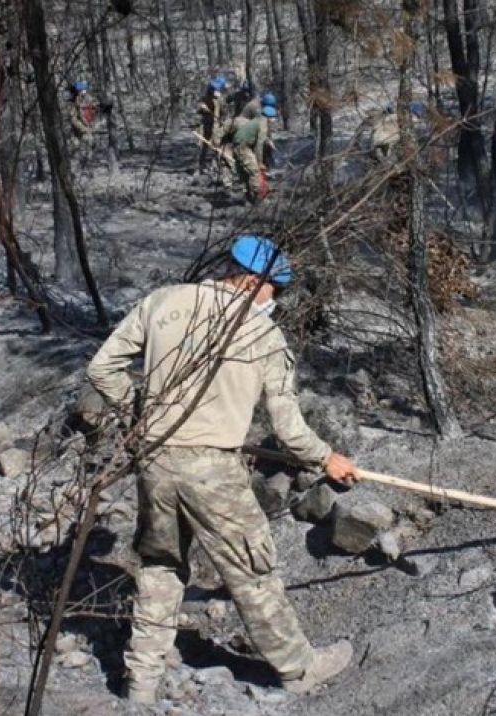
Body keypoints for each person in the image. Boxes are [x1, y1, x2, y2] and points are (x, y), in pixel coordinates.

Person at [86, 235, 358, 703]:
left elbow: (102, 368)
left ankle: (142, 682)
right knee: (252, 569)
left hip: (154, 459)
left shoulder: (162, 301)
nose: (276, 300)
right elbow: (289, 427)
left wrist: (140, 413)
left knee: (160, 564)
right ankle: (299, 669)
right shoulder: (262, 335)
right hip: (212, 467)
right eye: (275, 289)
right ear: (253, 280)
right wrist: (325, 458)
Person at [225, 103, 276, 203]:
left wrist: (268, 141)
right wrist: (260, 162)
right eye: (274, 118)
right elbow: (259, 145)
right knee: (254, 171)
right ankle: (259, 197)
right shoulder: (263, 124)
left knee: (246, 173)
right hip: (243, 147)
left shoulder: (257, 120)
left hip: (237, 146)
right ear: (270, 117)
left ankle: (249, 197)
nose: (274, 121)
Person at [195, 76, 231, 180]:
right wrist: (202, 107)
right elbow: (198, 108)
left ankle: (218, 168)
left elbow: (224, 112)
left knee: (217, 146)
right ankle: (199, 167)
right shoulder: (206, 96)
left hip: (216, 126)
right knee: (202, 146)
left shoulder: (221, 98)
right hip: (205, 125)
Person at [68, 80, 98, 157]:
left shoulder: (88, 99)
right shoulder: (74, 103)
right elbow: (73, 119)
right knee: (77, 146)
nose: (84, 92)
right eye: (82, 90)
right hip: (79, 131)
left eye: (85, 90)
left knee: (91, 142)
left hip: (87, 127)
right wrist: (84, 129)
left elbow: (94, 109)